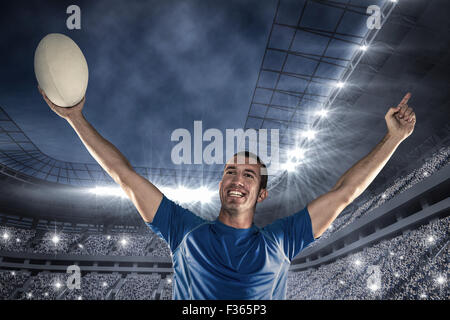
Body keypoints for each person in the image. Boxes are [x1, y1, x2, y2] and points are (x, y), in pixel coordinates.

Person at [38, 87, 416, 299]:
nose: (237, 178)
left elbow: (345, 193)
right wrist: (76, 118)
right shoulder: (183, 230)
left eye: (249, 175)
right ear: (221, 184)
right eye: (230, 171)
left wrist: (393, 139)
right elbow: (123, 175)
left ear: (262, 194)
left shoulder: (281, 240)